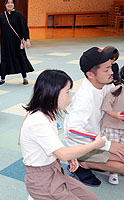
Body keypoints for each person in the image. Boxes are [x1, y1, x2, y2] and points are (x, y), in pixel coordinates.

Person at [20, 69, 105, 200]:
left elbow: (56, 149)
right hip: (42, 180)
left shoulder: (48, 114)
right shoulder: (37, 121)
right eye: (67, 92)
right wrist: (95, 145)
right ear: (53, 92)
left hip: (56, 170)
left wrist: (71, 156)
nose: (69, 98)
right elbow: (63, 154)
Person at [64, 47, 124, 187]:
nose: (111, 73)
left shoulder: (105, 85)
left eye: (111, 67)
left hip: (102, 135)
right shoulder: (84, 99)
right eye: (106, 70)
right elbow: (72, 130)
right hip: (84, 145)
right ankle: (81, 163)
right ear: (90, 75)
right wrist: (108, 145)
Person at [0, 0, 34, 85]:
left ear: (14, 4)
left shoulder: (19, 15)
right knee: (5, 58)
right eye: (8, 3)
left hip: (17, 42)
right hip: (6, 43)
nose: (10, 4)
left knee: (20, 58)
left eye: (11, 3)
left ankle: (24, 77)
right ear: (5, 4)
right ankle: (2, 78)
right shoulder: (2, 16)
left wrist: (27, 40)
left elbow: (24, 28)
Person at [101, 66, 124, 184]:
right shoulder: (115, 91)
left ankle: (118, 167)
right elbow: (105, 107)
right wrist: (116, 115)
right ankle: (113, 172)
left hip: (122, 128)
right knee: (113, 151)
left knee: (122, 150)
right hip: (111, 127)